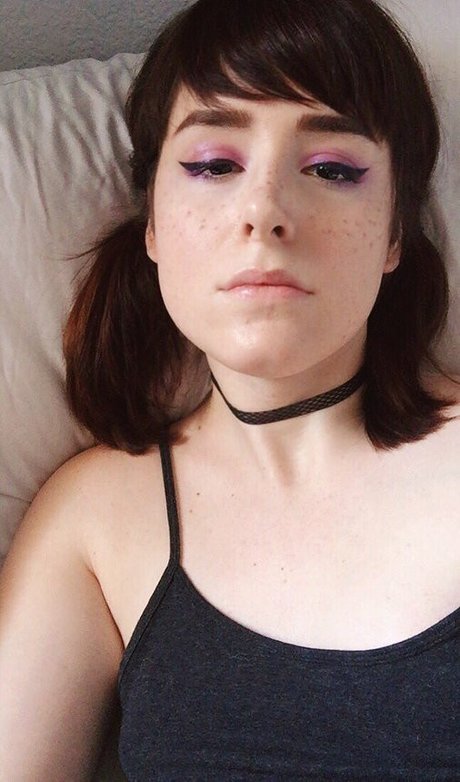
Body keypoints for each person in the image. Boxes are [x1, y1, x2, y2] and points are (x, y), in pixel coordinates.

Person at [0, 0, 459, 779]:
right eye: (214, 164)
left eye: (332, 169)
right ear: (152, 224)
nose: (264, 211)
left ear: (394, 235)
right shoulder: (95, 523)